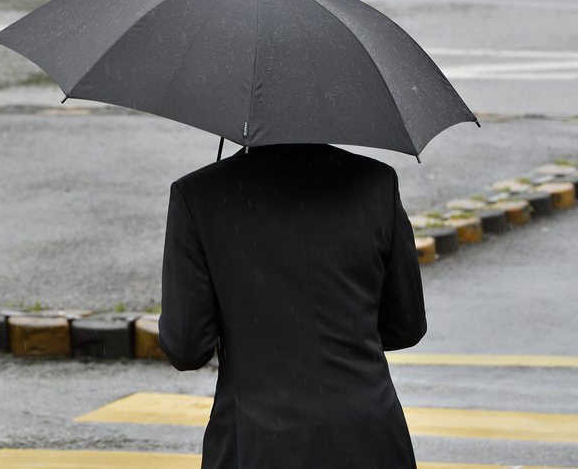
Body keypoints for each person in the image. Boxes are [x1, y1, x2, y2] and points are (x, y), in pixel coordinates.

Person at [158, 143, 426, 469]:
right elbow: (406, 325)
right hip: (369, 439)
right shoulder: (376, 182)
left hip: (257, 443)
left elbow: (186, 347)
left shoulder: (199, 195)